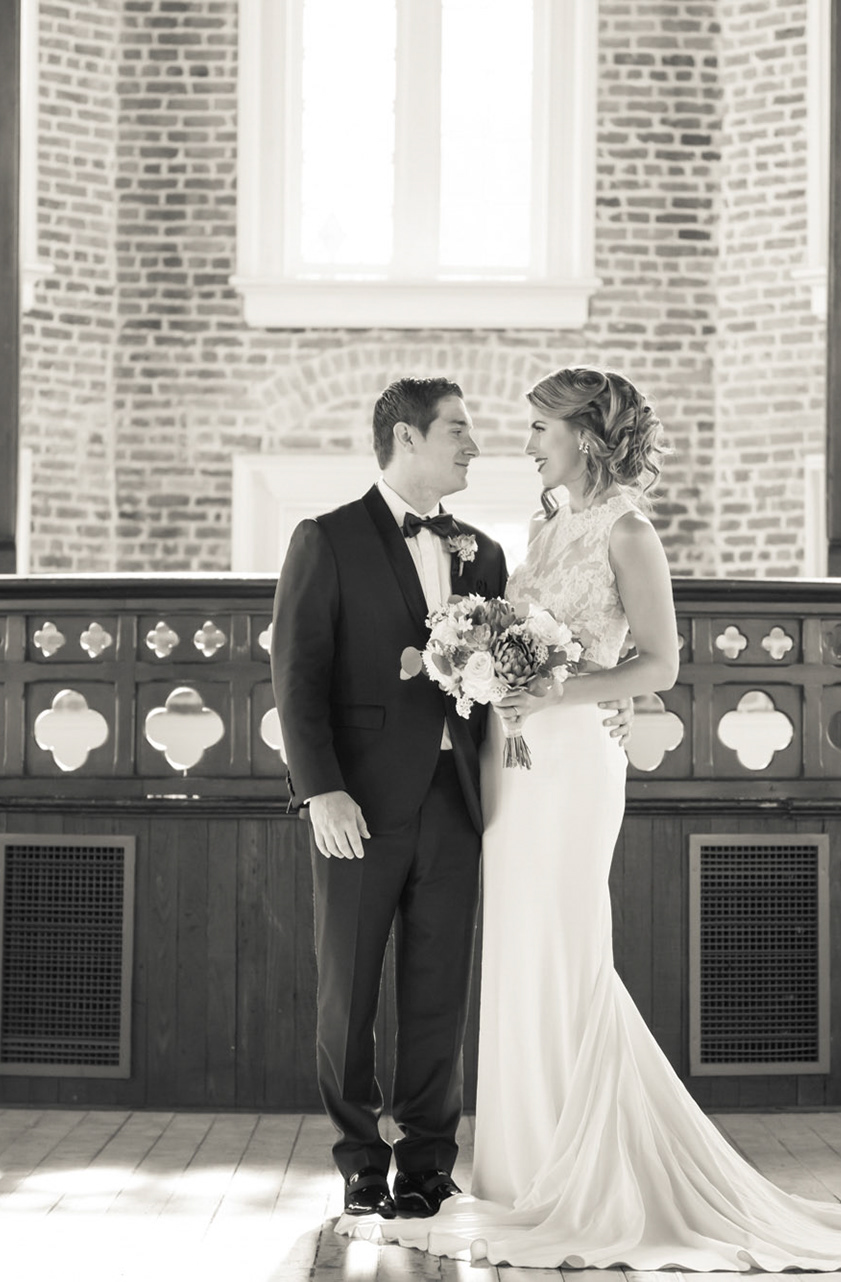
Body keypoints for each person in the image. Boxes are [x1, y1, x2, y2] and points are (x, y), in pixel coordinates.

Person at [338, 368, 841, 1271]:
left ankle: (582, 1177)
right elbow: (508, 640)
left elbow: (657, 665)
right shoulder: (541, 526)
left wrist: (552, 687)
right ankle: (517, 1168)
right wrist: (478, 670)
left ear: (585, 435)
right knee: (520, 951)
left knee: (567, 947)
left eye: (540, 428)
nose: (524, 443)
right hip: (512, 767)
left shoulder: (628, 531)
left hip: (574, 764)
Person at [269, 376, 629, 1222]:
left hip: (463, 800)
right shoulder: (324, 539)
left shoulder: (486, 552)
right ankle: (360, 1161)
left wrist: (603, 692)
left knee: (439, 994)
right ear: (405, 439)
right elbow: (296, 678)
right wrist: (320, 791)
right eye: (458, 431)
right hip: (355, 804)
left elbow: (519, 666)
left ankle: (429, 1164)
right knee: (346, 994)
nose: (476, 446)